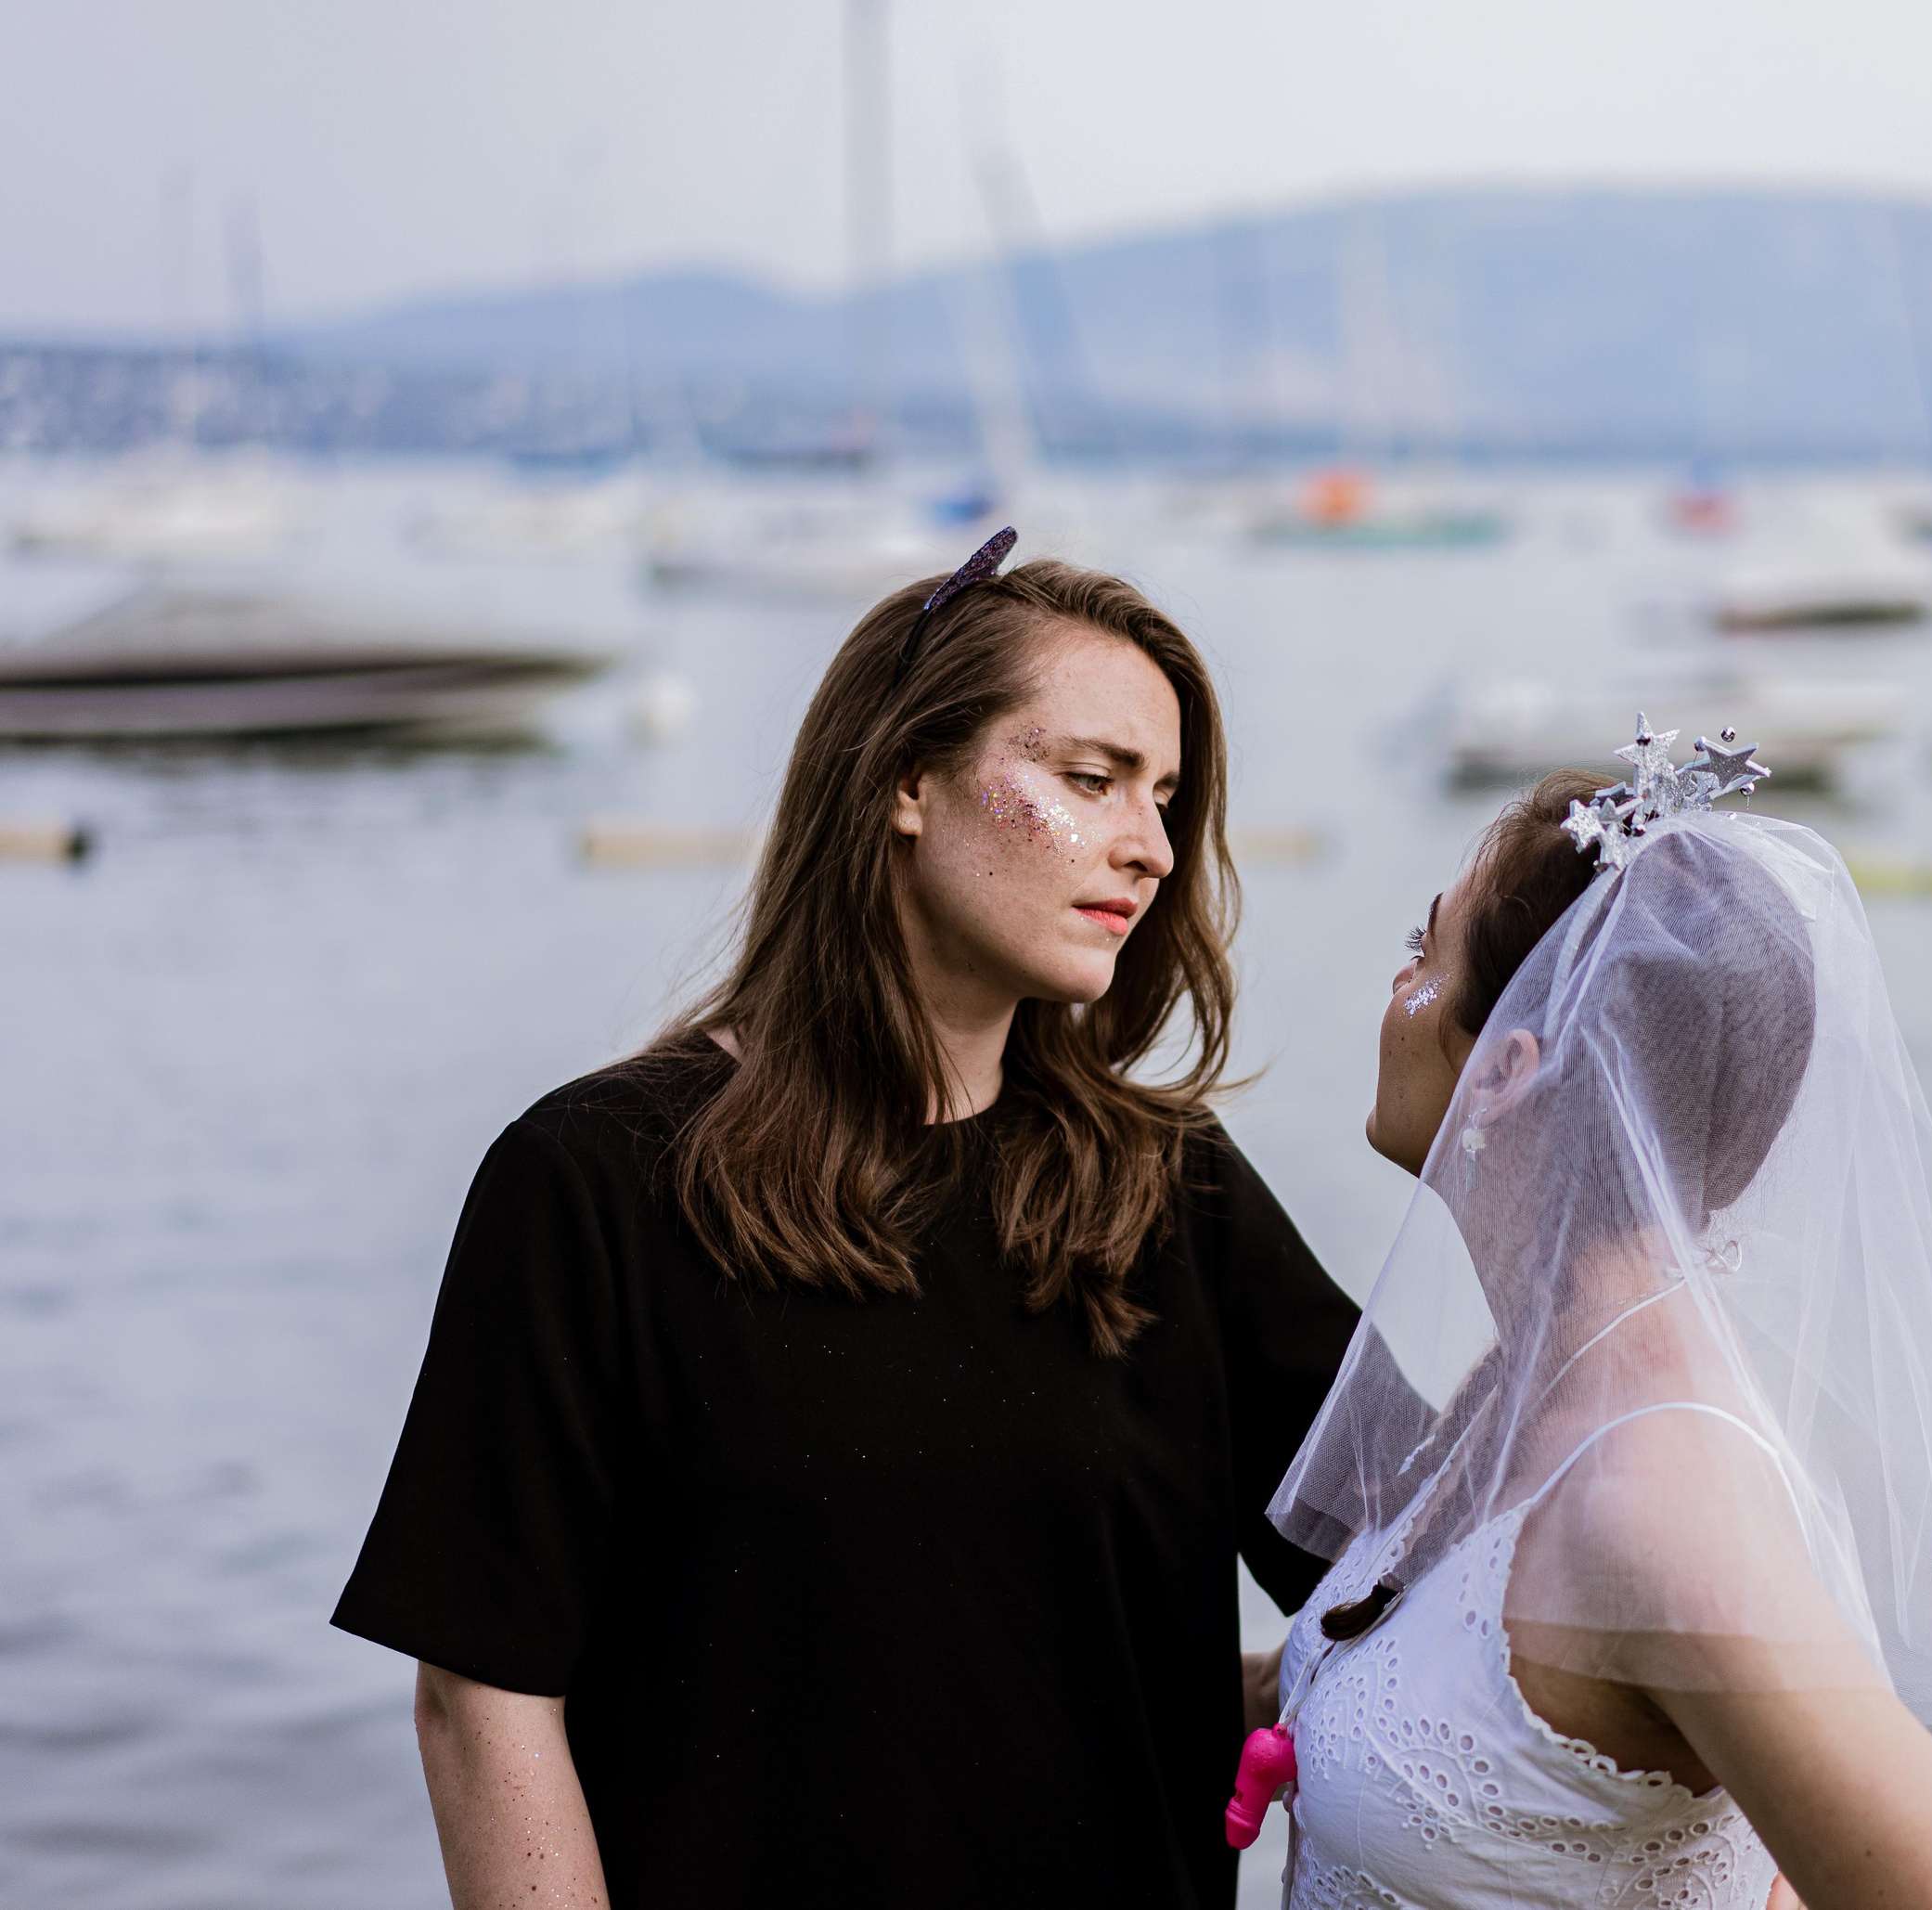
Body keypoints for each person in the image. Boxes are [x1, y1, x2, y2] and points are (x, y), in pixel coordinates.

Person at [332, 536, 1361, 1910]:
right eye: (1090, 778)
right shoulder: (596, 1181)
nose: (1153, 848)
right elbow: (483, 1701)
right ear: (904, 781)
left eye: (1165, 798)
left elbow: (1429, 1569)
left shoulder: (1171, 1188)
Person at [1257, 745, 1932, 1909]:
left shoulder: (1655, 1503)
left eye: (1423, 952)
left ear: (1509, 1069)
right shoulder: (1517, 1392)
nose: (1396, 984)